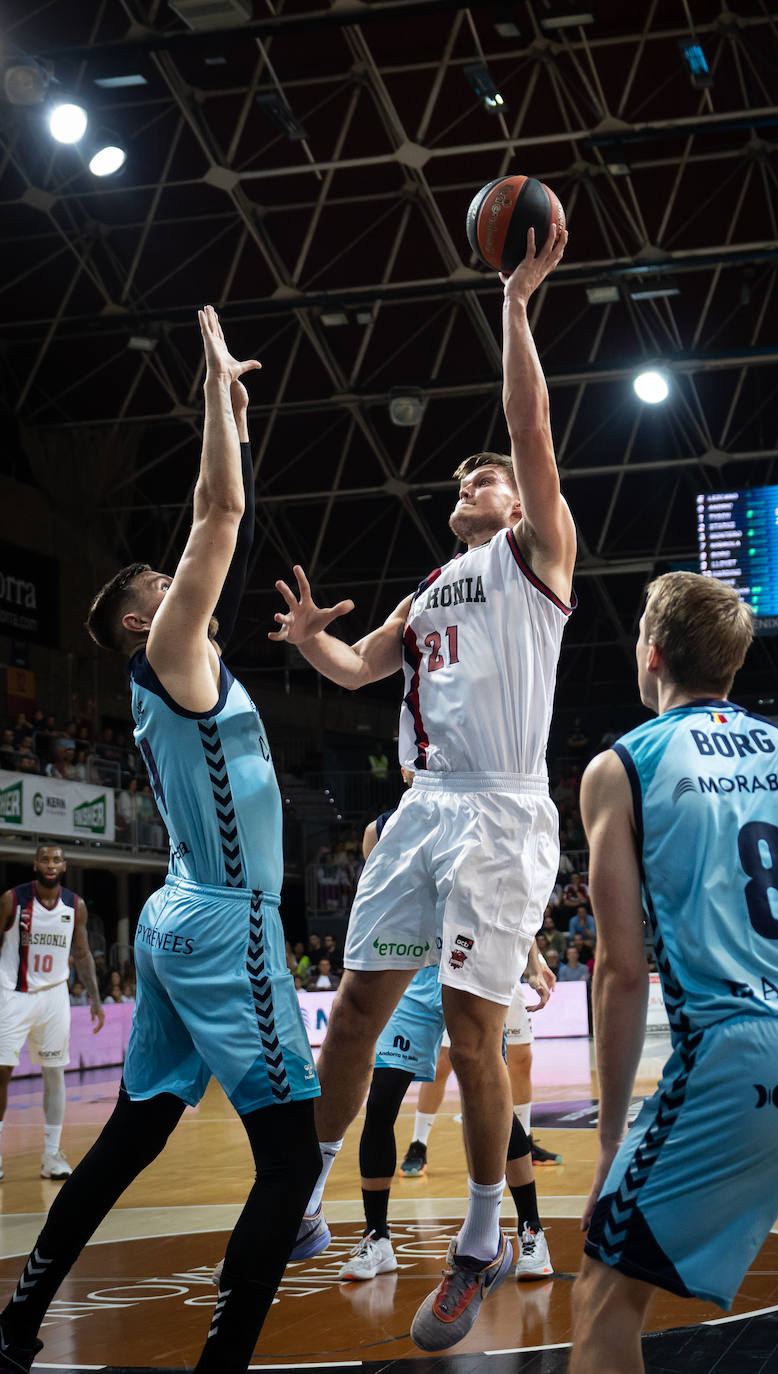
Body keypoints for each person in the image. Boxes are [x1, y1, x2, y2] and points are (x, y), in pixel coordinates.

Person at [0, 308, 323, 1374]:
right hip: (224, 919)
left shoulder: (180, 666)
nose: (173, 579)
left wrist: (233, 416)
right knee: (288, 1156)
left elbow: (220, 512)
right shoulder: (173, 654)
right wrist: (213, 395)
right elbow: (219, 510)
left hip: (183, 921)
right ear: (144, 621)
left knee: (133, 1135)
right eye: (159, 583)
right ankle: (222, 1365)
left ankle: (15, 1319)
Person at [270, 223, 574, 1351]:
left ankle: (482, 1238)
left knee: (469, 1029)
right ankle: (298, 1197)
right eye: (467, 479)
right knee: (353, 1008)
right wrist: (308, 642)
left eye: (486, 476)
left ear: (515, 501)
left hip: (500, 807)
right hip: (423, 810)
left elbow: (530, 424)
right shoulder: (433, 586)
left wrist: (513, 305)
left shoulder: (537, 556)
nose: (475, 480)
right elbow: (358, 668)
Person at [569, 571, 778, 1374]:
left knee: (602, 1298)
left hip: (744, 1053)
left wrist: (612, 1143)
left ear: (650, 655)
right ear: (730, 664)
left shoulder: (621, 767)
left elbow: (622, 971)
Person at [339, 809, 555, 1284]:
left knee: (492, 1101)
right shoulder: (379, 830)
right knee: (380, 1104)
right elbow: (380, 907)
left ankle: (531, 1230)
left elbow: (509, 895)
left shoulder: (479, 809)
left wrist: (533, 960)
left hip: (471, 969)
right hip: (412, 976)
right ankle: (377, 1238)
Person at [0, 843, 104, 1182]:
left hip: (55, 997)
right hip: (12, 995)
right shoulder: (12, 900)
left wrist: (95, 997)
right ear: (35, 865)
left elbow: (83, 953)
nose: (50, 864)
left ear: (64, 866)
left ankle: (51, 1155)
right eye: (44, 859)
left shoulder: (76, 905)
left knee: (55, 1073)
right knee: (1, 1073)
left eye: (56, 859)